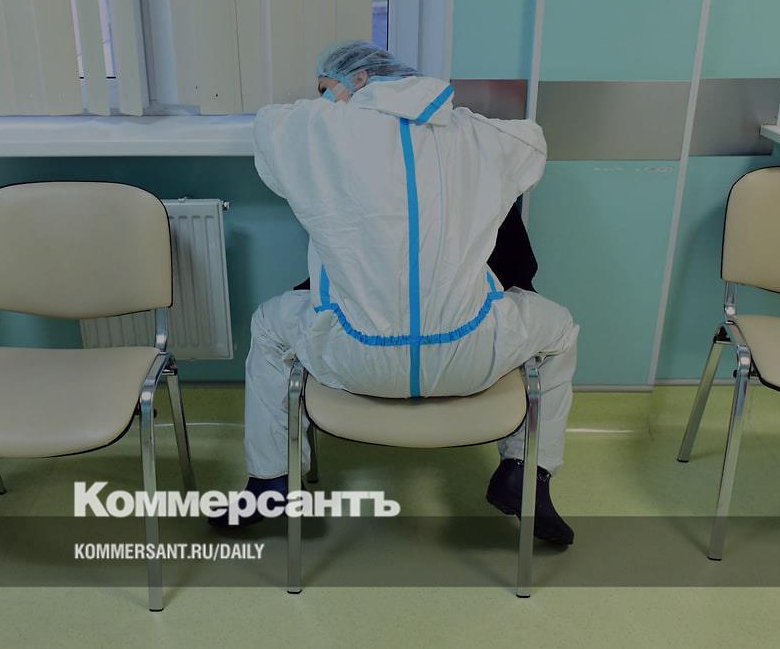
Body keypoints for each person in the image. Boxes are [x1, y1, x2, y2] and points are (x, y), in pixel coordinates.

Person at [218, 41, 579, 545]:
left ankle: (270, 481)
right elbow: (530, 141)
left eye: (326, 88)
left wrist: (336, 106)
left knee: (267, 325)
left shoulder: (319, 131)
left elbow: (271, 123)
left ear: (361, 79)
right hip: (468, 356)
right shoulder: (477, 135)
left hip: (354, 357)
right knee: (560, 330)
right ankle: (525, 475)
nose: (323, 101)